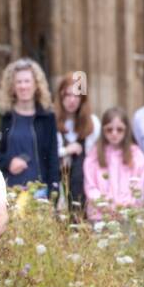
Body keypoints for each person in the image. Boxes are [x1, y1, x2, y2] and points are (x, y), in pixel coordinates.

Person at [0, 57, 60, 199]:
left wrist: (54, 193)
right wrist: (8, 162)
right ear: (12, 86)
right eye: (18, 82)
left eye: (27, 81)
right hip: (7, 193)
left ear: (36, 85)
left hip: (39, 194)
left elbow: (52, 157)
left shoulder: (47, 117)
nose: (23, 86)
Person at [82, 107, 144, 221]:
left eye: (119, 129)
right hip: (100, 216)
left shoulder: (136, 156)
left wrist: (123, 207)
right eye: (109, 129)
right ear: (103, 130)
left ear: (126, 130)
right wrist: (107, 207)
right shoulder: (94, 156)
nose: (114, 133)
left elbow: (139, 186)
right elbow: (90, 187)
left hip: (129, 215)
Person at [54, 72, 99, 216]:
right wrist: (66, 150)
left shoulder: (92, 124)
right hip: (57, 189)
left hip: (82, 189)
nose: (72, 100)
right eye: (67, 95)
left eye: (76, 96)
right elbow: (45, 154)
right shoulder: (51, 122)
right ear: (61, 96)